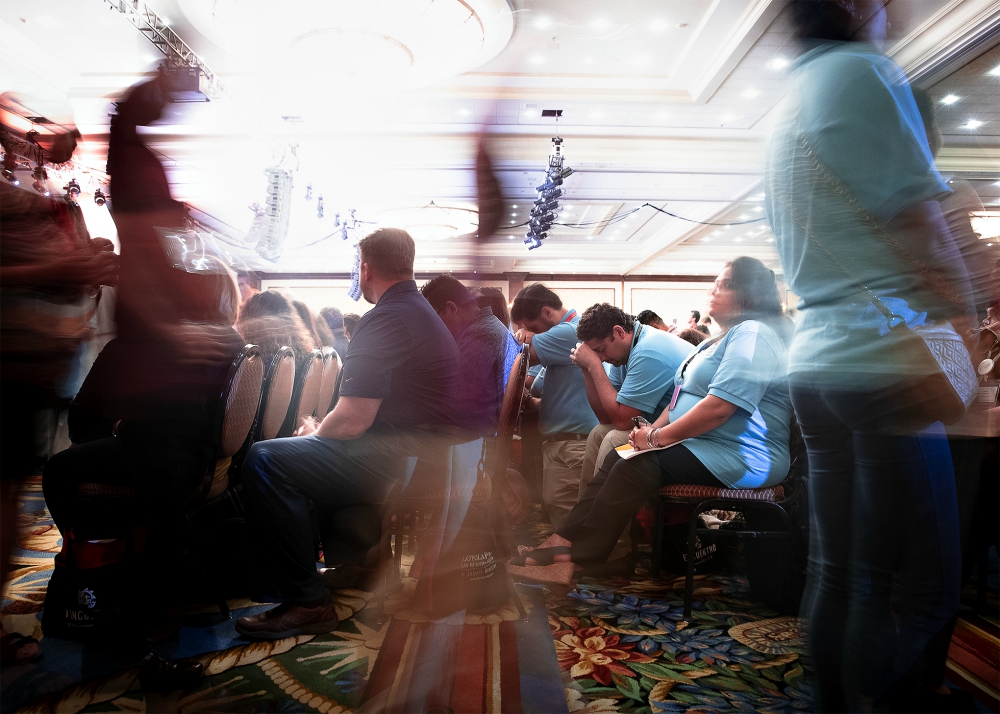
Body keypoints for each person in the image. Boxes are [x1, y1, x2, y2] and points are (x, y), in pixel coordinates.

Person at [765, 2, 977, 711]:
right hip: (884, 359)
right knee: (924, 587)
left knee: (839, 572)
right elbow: (920, 222)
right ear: (856, 5)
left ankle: (833, 702)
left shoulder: (788, 97)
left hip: (816, 361)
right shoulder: (863, 70)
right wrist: (965, 326)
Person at [235, 228, 461, 640]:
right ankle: (361, 560)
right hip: (427, 456)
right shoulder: (418, 312)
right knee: (309, 452)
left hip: (404, 460)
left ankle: (307, 603)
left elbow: (354, 420)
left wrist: (315, 434)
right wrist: (321, 434)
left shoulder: (387, 319)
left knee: (266, 459)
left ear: (366, 268)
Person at [511, 259, 793, 584]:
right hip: (708, 444)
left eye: (725, 284)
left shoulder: (754, 334)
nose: (714, 289)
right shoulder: (718, 340)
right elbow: (679, 400)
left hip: (744, 455)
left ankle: (577, 556)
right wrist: (651, 432)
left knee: (636, 466)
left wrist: (659, 438)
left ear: (748, 296)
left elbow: (719, 408)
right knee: (620, 455)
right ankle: (562, 542)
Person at [0, 98, 118, 666]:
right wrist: (64, 269)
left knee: (7, 497)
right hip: (8, 363)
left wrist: (85, 261)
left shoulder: (37, 193)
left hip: (28, 367)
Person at [571, 303, 695, 568]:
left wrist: (594, 367)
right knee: (598, 434)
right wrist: (587, 369)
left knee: (614, 439)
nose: (602, 358)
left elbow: (620, 420)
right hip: (661, 428)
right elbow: (605, 417)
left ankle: (615, 551)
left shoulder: (649, 351)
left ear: (619, 332)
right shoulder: (627, 350)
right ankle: (584, 532)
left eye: (602, 350)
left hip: (692, 435)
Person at [511, 285, 598, 530]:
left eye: (534, 327)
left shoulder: (569, 332)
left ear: (547, 312)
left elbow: (516, 356)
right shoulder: (565, 335)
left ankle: (568, 568)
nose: (532, 333)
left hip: (572, 446)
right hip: (564, 444)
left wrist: (525, 338)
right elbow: (550, 395)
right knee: (560, 514)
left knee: (567, 519)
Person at [420, 275, 519, 435]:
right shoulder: (487, 327)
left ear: (452, 309)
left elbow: (456, 397)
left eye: (434, 319)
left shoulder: (480, 334)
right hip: (476, 429)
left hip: (470, 434)